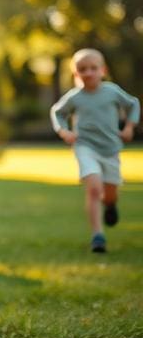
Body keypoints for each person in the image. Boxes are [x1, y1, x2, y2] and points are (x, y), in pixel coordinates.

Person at [50, 48, 139, 253]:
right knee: (93, 188)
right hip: (85, 146)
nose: (88, 73)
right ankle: (98, 236)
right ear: (76, 74)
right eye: (82, 69)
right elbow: (57, 112)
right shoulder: (75, 97)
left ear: (103, 70)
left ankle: (110, 205)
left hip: (110, 149)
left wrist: (128, 127)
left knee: (109, 194)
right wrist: (64, 131)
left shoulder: (112, 91)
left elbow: (133, 104)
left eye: (93, 68)